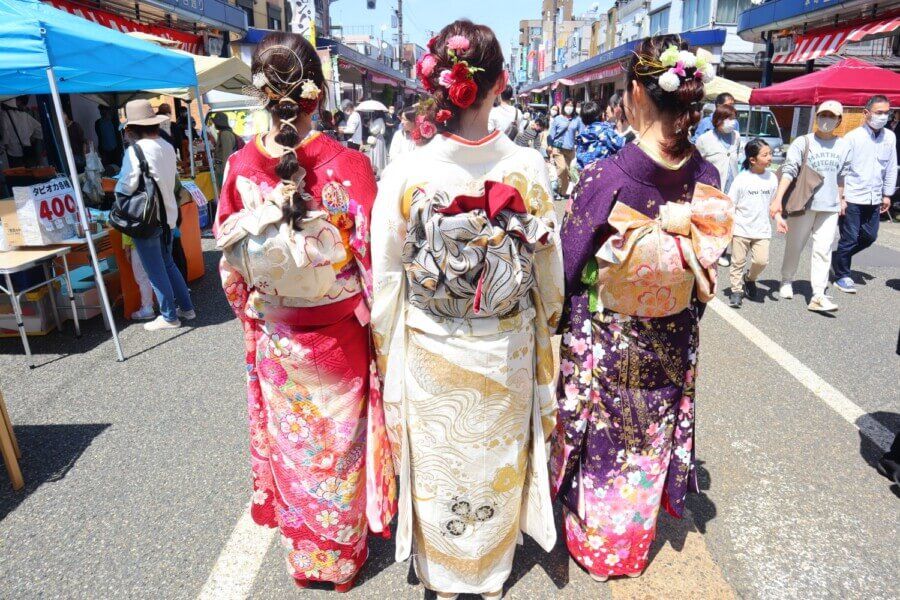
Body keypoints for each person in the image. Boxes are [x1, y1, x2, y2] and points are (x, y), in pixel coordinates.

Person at [372, 20, 562, 600]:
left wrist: (386, 351)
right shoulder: (527, 167)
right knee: (496, 458)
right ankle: (491, 572)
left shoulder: (407, 171)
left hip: (432, 345)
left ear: (437, 86)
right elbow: (548, 272)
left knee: (442, 459)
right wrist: (549, 323)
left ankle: (444, 573)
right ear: (501, 83)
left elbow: (387, 275)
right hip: (505, 344)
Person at [214, 32, 395, 591]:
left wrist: (257, 317)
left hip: (280, 338)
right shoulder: (350, 166)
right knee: (339, 454)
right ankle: (342, 562)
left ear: (261, 95)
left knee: (295, 452)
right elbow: (375, 266)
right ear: (318, 93)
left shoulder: (239, 166)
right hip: (339, 340)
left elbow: (231, 270)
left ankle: (306, 563)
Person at [551, 35, 732, 582]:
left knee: (606, 437)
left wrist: (556, 322)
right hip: (672, 333)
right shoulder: (707, 178)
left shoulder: (605, 177)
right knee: (650, 437)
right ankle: (632, 544)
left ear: (635, 93)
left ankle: (599, 548)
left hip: (608, 337)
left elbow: (566, 269)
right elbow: (705, 271)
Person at [115, 99, 196, 331]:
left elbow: (126, 186)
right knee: (168, 263)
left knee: (155, 269)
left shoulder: (135, 151)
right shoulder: (167, 146)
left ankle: (169, 316)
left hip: (146, 218)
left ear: (132, 129)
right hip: (168, 215)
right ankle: (187, 308)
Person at [770, 100, 848, 312]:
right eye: (823, 115)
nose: (826, 120)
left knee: (824, 249)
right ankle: (787, 279)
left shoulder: (843, 146)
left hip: (829, 206)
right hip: (803, 204)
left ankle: (818, 294)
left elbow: (841, 176)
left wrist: (841, 198)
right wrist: (778, 199)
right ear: (817, 117)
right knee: (795, 245)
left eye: (832, 116)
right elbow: (789, 170)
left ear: (839, 120)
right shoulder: (804, 142)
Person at [831, 94, 897, 294]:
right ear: (866, 113)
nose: (883, 116)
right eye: (879, 112)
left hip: (874, 197)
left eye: (887, 113)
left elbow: (891, 167)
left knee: (869, 236)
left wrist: (887, 194)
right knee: (850, 238)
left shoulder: (889, 137)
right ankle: (842, 275)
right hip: (852, 196)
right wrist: (840, 197)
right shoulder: (853, 138)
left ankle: (838, 257)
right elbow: (841, 170)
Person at [726, 138, 776, 308]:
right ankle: (736, 291)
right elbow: (731, 204)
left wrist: (779, 218)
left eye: (770, 154)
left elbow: (773, 203)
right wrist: (728, 227)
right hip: (741, 229)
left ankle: (749, 278)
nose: (770, 157)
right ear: (752, 160)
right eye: (765, 155)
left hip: (762, 229)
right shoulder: (741, 179)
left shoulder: (772, 178)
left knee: (761, 261)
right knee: (737, 262)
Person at [695, 103, 741, 193]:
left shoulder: (736, 136)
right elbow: (697, 165)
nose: (733, 122)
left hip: (733, 187)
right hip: (713, 187)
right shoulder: (704, 139)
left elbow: (736, 155)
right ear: (718, 119)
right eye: (729, 119)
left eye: (734, 118)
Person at [548, 98, 583, 197]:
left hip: (570, 149)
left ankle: (562, 192)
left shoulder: (577, 119)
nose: (569, 107)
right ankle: (551, 183)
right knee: (562, 168)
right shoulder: (558, 119)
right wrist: (550, 145)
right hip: (558, 148)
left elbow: (582, 133)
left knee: (567, 172)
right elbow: (551, 133)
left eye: (571, 105)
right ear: (563, 106)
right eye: (567, 105)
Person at [575, 100, 625, 169]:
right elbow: (620, 144)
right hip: (603, 170)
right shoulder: (605, 130)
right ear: (602, 115)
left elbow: (579, 159)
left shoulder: (582, 135)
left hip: (586, 171)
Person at [2, 97, 43, 168]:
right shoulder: (24, 115)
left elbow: (5, 138)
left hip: (13, 154)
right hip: (27, 152)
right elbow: (40, 131)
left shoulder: (3, 116)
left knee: (16, 173)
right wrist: (30, 137)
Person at [212, 112, 238, 188]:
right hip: (222, 168)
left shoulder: (225, 134)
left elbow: (227, 154)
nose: (214, 124)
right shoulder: (225, 133)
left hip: (222, 169)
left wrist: (226, 172)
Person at [367, 110, 388, 176]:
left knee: (376, 155)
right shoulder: (381, 120)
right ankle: (376, 172)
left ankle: (375, 172)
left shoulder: (378, 120)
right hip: (379, 139)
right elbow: (382, 131)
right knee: (378, 155)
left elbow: (373, 131)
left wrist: (370, 124)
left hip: (376, 139)